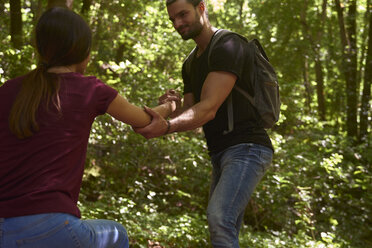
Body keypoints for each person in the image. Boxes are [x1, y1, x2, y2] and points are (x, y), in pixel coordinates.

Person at [0, 7, 176, 248]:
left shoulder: (9, 90)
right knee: (118, 234)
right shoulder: (91, 90)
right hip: (51, 226)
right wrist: (169, 106)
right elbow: (146, 121)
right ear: (83, 52)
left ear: (40, 49)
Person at [134, 0, 274, 247]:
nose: (178, 23)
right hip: (219, 152)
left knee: (219, 218)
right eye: (172, 20)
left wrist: (166, 127)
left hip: (248, 147)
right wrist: (171, 107)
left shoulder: (229, 45)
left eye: (183, 14)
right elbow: (191, 113)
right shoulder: (190, 64)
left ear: (201, 8)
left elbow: (207, 109)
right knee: (224, 227)